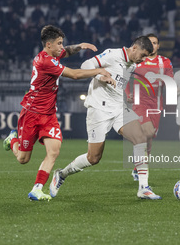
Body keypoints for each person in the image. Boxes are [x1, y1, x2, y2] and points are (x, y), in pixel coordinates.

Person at [2, 25, 114, 201]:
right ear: (48, 45)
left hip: (48, 115)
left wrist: (79, 46)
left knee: (53, 151)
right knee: (23, 159)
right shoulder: (45, 61)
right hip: (31, 113)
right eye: (59, 43)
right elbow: (74, 74)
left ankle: (37, 189)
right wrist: (98, 71)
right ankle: (12, 139)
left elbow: (67, 52)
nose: (62, 47)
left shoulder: (52, 54)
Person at [49, 36, 163, 200]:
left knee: (141, 138)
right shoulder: (112, 54)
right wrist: (101, 76)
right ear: (134, 48)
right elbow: (86, 65)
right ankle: (62, 174)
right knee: (94, 158)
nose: (144, 59)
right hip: (99, 109)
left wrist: (126, 95)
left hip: (118, 109)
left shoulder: (132, 65)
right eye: (143, 55)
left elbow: (119, 82)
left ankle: (143, 187)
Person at [125, 33, 173, 181]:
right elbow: (126, 77)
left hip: (156, 104)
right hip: (140, 102)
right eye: (150, 42)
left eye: (155, 43)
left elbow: (170, 81)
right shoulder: (138, 60)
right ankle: (140, 170)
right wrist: (128, 93)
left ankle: (137, 168)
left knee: (149, 137)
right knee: (147, 133)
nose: (153, 45)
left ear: (158, 46)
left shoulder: (164, 62)